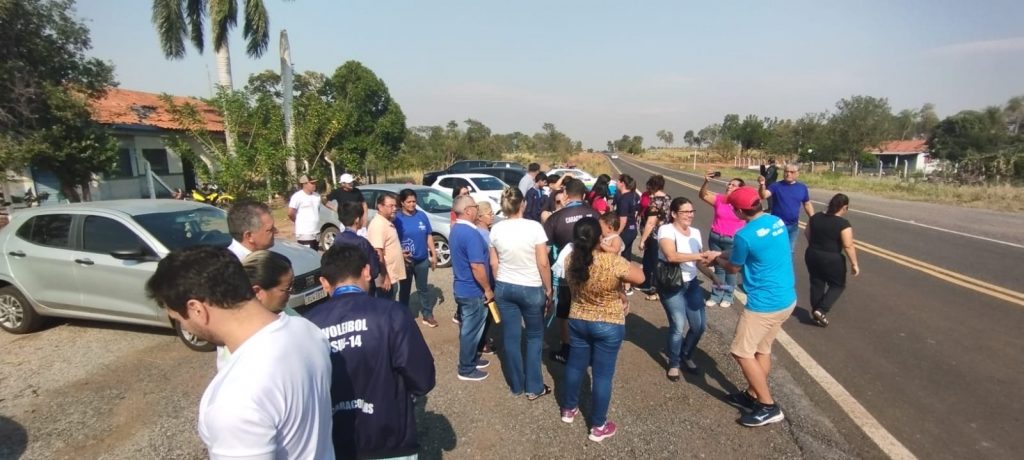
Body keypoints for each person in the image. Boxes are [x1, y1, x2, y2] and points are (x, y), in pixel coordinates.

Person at [145, 246, 334, 458]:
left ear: (196, 309)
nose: (184, 328)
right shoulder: (308, 331)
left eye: (177, 319)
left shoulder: (234, 400)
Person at [305, 244, 436, 460]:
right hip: (390, 440)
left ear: (324, 283)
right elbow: (422, 379)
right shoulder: (392, 314)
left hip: (333, 444)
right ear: (367, 272)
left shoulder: (308, 324)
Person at [713, 186, 797, 427]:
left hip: (764, 304)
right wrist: (720, 252)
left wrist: (716, 258)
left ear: (740, 211)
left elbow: (734, 268)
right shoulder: (775, 221)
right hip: (786, 298)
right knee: (762, 349)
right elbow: (747, 250)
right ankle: (752, 394)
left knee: (740, 351)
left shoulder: (744, 235)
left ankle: (768, 406)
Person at [560, 217, 645, 442]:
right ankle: (598, 425)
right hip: (608, 322)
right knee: (602, 375)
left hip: (578, 319)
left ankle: (568, 408)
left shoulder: (570, 259)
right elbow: (640, 277)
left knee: (575, 366)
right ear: (600, 236)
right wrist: (612, 252)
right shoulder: (611, 261)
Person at [489, 187, 552, 399]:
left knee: (511, 336)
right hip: (531, 286)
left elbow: (494, 262)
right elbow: (543, 262)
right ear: (523, 203)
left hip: (505, 286)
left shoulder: (496, 229)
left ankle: (516, 384)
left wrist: (500, 282)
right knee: (534, 336)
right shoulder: (534, 227)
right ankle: (534, 387)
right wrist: (549, 288)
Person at [656, 197, 719, 380]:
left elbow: (699, 262)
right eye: (685, 212)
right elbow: (671, 256)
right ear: (674, 214)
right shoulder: (665, 230)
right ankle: (674, 362)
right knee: (678, 325)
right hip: (672, 285)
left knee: (699, 326)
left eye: (691, 211)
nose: (689, 215)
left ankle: (686, 354)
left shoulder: (696, 233)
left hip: (691, 284)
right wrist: (700, 255)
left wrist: (712, 276)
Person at [214, 250, 302, 370]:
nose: (291, 293)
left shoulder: (283, 310)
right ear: (257, 292)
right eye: (287, 288)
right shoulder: (238, 344)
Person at [542, 178, 597, 364]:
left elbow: (546, 250)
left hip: (566, 272)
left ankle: (567, 349)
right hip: (591, 269)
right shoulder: (594, 214)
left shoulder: (555, 217)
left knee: (564, 311)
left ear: (566, 194)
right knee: (588, 307)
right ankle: (589, 349)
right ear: (583, 195)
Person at [449, 195, 493, 381]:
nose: (477, 209)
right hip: (473, 290)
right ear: (468, 210)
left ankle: (471, 359)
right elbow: (477, 266)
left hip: (463, 287)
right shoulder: (470, 233)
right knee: (471, 330)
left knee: (471, 328)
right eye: (475, 206)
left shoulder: (456, 229)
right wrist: (488, 289)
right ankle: (466, 368)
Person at [804, 193, 860, 327]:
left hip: (812, 254)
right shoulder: (843, 224)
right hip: (832, 258)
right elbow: (848, 245)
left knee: (817, 283)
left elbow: (807, 233)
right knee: (837, 285)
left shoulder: (815, 217)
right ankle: (821, 310)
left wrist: (816, 246)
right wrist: (854, 263)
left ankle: (816, 313)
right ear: (844, 207)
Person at [699, 172, 747, 308]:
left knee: (731, 270)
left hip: (732, 241)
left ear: (740, 189)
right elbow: (703, 195)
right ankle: (716, 294)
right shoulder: (720, 199)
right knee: (719, 269)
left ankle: (728, 296)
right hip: (715, 237)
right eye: (729, 184)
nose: (729, 186)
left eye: (733, 185)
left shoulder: (742, 204)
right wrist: (706, 182)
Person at [395, 188, 438, 327]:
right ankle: (403, 315)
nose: (412, 204)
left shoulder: (422, 215)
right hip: (406, 261)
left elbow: (428, 235)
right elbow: (392, 239)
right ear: (402, 203)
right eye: (409, 202)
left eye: (414, 201)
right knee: (405, 289)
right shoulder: (397, 218)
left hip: (422, 259)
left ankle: (427, 314)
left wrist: (434, 254)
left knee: (423, 288)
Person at [758, 164, 814, 251]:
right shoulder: (776, 186)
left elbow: (807, 203)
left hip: (793, 226)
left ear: (797, 174)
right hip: (777, 225)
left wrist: (813, 218)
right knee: (776, 249)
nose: (788, 174)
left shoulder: (802, 188)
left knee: (789, 251)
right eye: (786, 172)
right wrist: (762, 185)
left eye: (792, 172)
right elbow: (763, 195)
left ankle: (787, 264)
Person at [334, 200, 384, 294]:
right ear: (357, 219)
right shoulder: (361, 242)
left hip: (343, 287)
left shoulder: (337, 239)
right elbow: (374, 271)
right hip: (363, 288)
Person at [637, 175, 671, 300]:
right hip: (664, 235)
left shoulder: (655, 201)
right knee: (651, 261)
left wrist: (642, 240)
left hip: (654, 236)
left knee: (655, 263)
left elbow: (651, 222)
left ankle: (656, 290)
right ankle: (647, 284)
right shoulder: (667, 198)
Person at [368, 192, 406, 299]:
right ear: (380, 207)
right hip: (385, 278)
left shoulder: (387, 222)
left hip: (391, 276)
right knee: (385, 308)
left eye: (395, 206)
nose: (394, 209)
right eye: (391, 206)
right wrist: (385, 276)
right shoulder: (378, 225)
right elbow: (378, 252)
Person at [474, 201, 498, 355]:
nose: (493, 216)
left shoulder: (478, 232)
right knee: (487, 314)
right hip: (487, 280)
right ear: (480, 217)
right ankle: (481, 343)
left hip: (484, 280)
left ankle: (482, 340)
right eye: (489, 213)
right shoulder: (485, 236)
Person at [614, 175, 640, 294]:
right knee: (627, 256)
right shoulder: (634, 195)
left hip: (625, 230)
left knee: (619, 257)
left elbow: (623, 220)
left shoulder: (623, 199)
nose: (616, 184)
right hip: (633, 228)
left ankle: (622, 284)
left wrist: (616, 234)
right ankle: (628, 285)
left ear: (622, 183)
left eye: (617, 182)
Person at [288, 175, 322, 251]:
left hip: (316, 231)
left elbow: (317, 210)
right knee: (307, 254)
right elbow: (290, 213)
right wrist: (297, 221)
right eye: (312, 183)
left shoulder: (317, 196)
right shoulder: (297, 196)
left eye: (315, 183)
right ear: (304, 184)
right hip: (304, 233)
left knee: (315, 254)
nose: (314, 185)